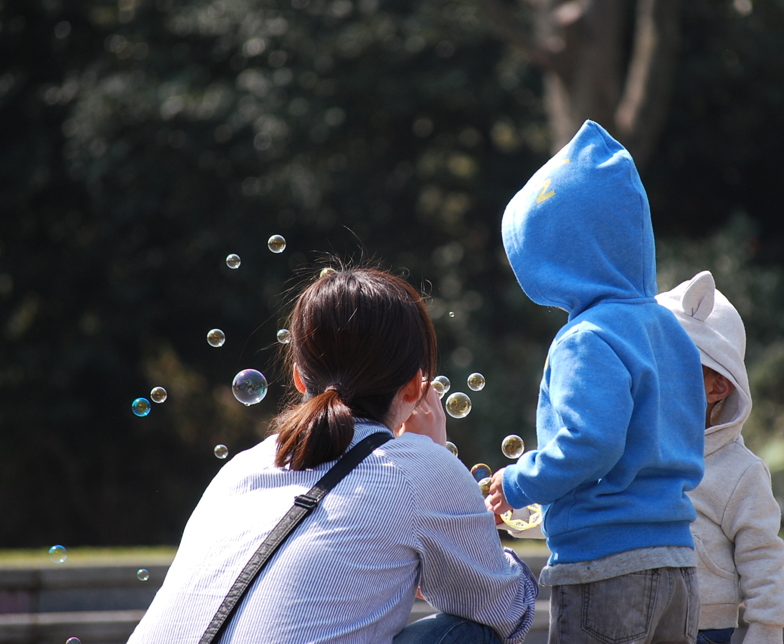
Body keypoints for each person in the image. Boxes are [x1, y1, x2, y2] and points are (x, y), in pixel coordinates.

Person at [129, 266, 538, 644]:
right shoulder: (419, 467)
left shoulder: (239, 469)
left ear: (296, 375)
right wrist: (434, 457)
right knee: (469, 633)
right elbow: (507, 612)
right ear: (416, 388)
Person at [485, 120, 706, 644]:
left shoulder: (584, 338)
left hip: (605, 564)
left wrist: (517, 482)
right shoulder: (668, 329)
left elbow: (591, 443)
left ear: (559, 254)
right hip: (677, 561)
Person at [657, 270, 784, 644]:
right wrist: (518, 513)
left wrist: (765, 631)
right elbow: (594, 508)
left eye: (675, 365)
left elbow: (763, 558)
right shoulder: (635, 451)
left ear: (718, 385)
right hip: (638, 616)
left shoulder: (740, 471)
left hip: (705, 627)